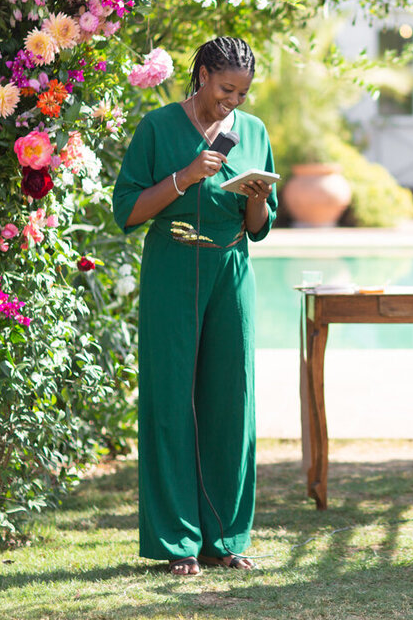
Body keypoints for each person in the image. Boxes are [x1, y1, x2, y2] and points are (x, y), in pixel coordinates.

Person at [112, 36, 277, 576]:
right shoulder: (157, 128)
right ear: (203, 74)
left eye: (243, 93)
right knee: (170, 401)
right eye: (227, 88)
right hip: (173, 267)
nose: (234, 101)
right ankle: (178, 542)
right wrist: (184, 177)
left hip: (231, 271)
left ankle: (227, 538)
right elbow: (128, 212)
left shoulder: (253, 133)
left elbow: (258, 230)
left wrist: (255, 198)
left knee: (232, 403)